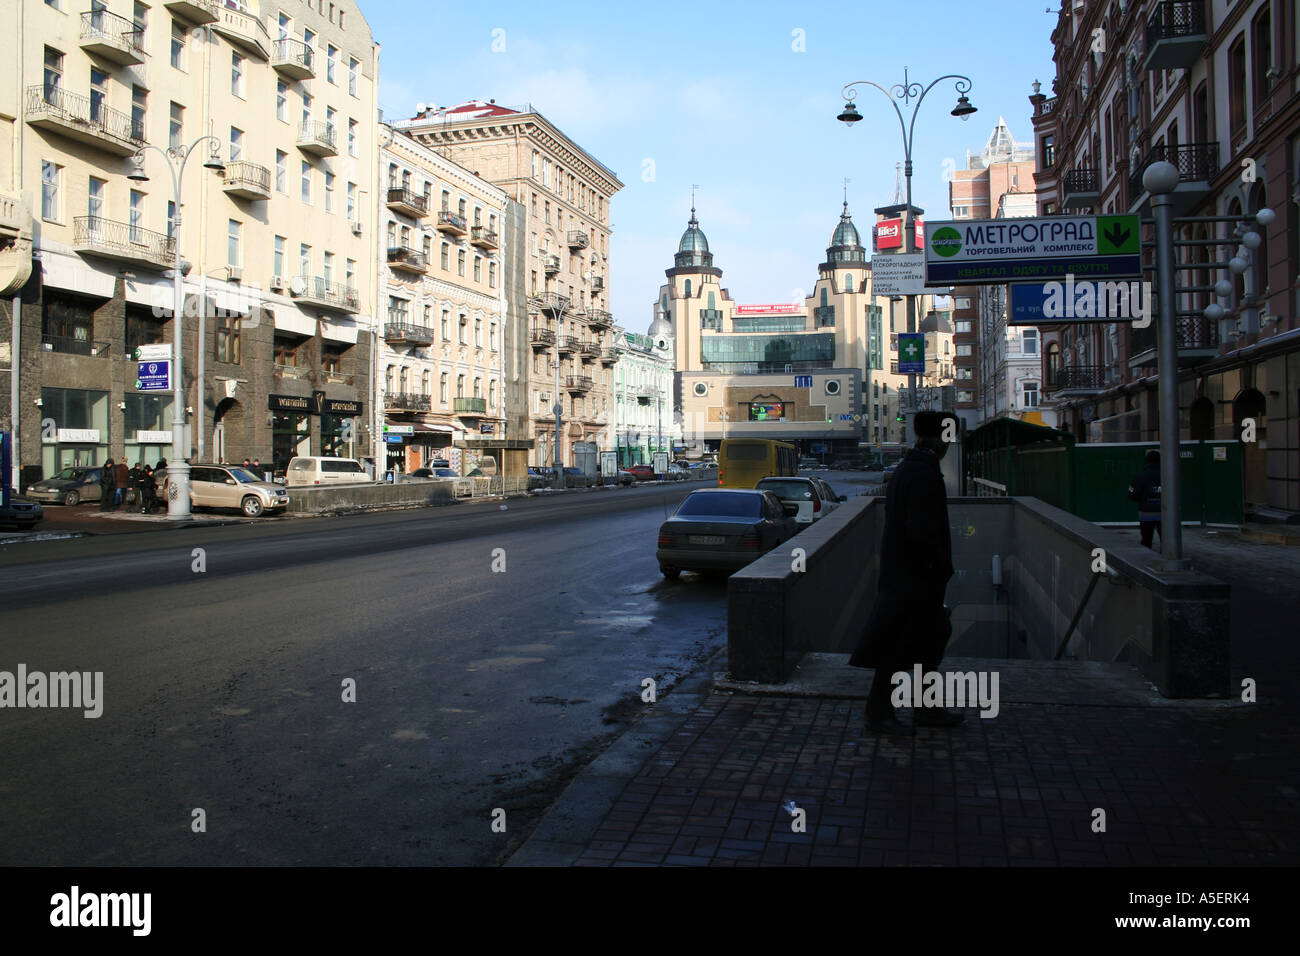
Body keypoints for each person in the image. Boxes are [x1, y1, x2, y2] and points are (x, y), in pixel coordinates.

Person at [849, 410, 963, 736]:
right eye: (949, 436)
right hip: (916, 580)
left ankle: (924, 709)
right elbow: (922, 531)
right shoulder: (923, 474)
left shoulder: (910, 469)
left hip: (908, 576)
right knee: (903, 646)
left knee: (924, 643)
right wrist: (936, 568)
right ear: (940, 438)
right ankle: (880, 713)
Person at [1128, 449, 1162, 550]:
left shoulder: (1141, 476)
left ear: (1147, 461)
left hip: (1146, 513)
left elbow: (1132, 494)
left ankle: (1146, 560)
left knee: (1146, 539)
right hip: (1165, 512)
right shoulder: (1167, 475)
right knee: (1167, 540)